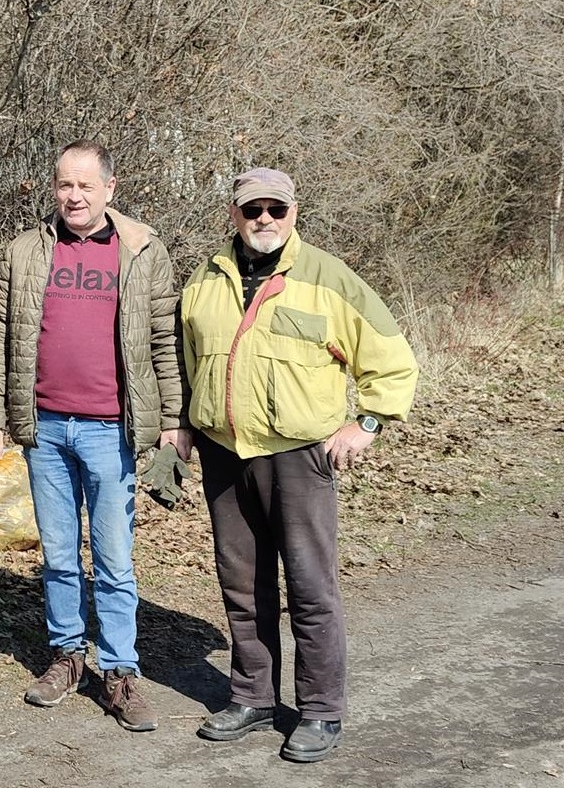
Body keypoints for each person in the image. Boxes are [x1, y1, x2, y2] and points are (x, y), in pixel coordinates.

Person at [179, 166, 418, 761]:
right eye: (252, 209)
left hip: (298, 456)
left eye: (276, 210)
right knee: (241, 585)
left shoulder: (330, 279)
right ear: (233, 213)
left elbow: (391, 360)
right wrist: (183, 422)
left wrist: (366, 423)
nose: (264, 220)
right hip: (225, 453)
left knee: (310, 587)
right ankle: (253, 697)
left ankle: (319, 711)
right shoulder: (204, 282)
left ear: (294, 213)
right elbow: (185, 362)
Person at [0, 139, 188, 732]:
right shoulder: (24, 252)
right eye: (65, 184)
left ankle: (120, 671)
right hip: (44, 428)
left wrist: (173, 420)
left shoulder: (141, 251)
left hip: (112, 431)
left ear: (109, 189)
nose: (73, 195)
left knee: (115, 562)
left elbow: (166, 341)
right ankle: (67, 656)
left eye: (85, 185)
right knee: (60, 557)